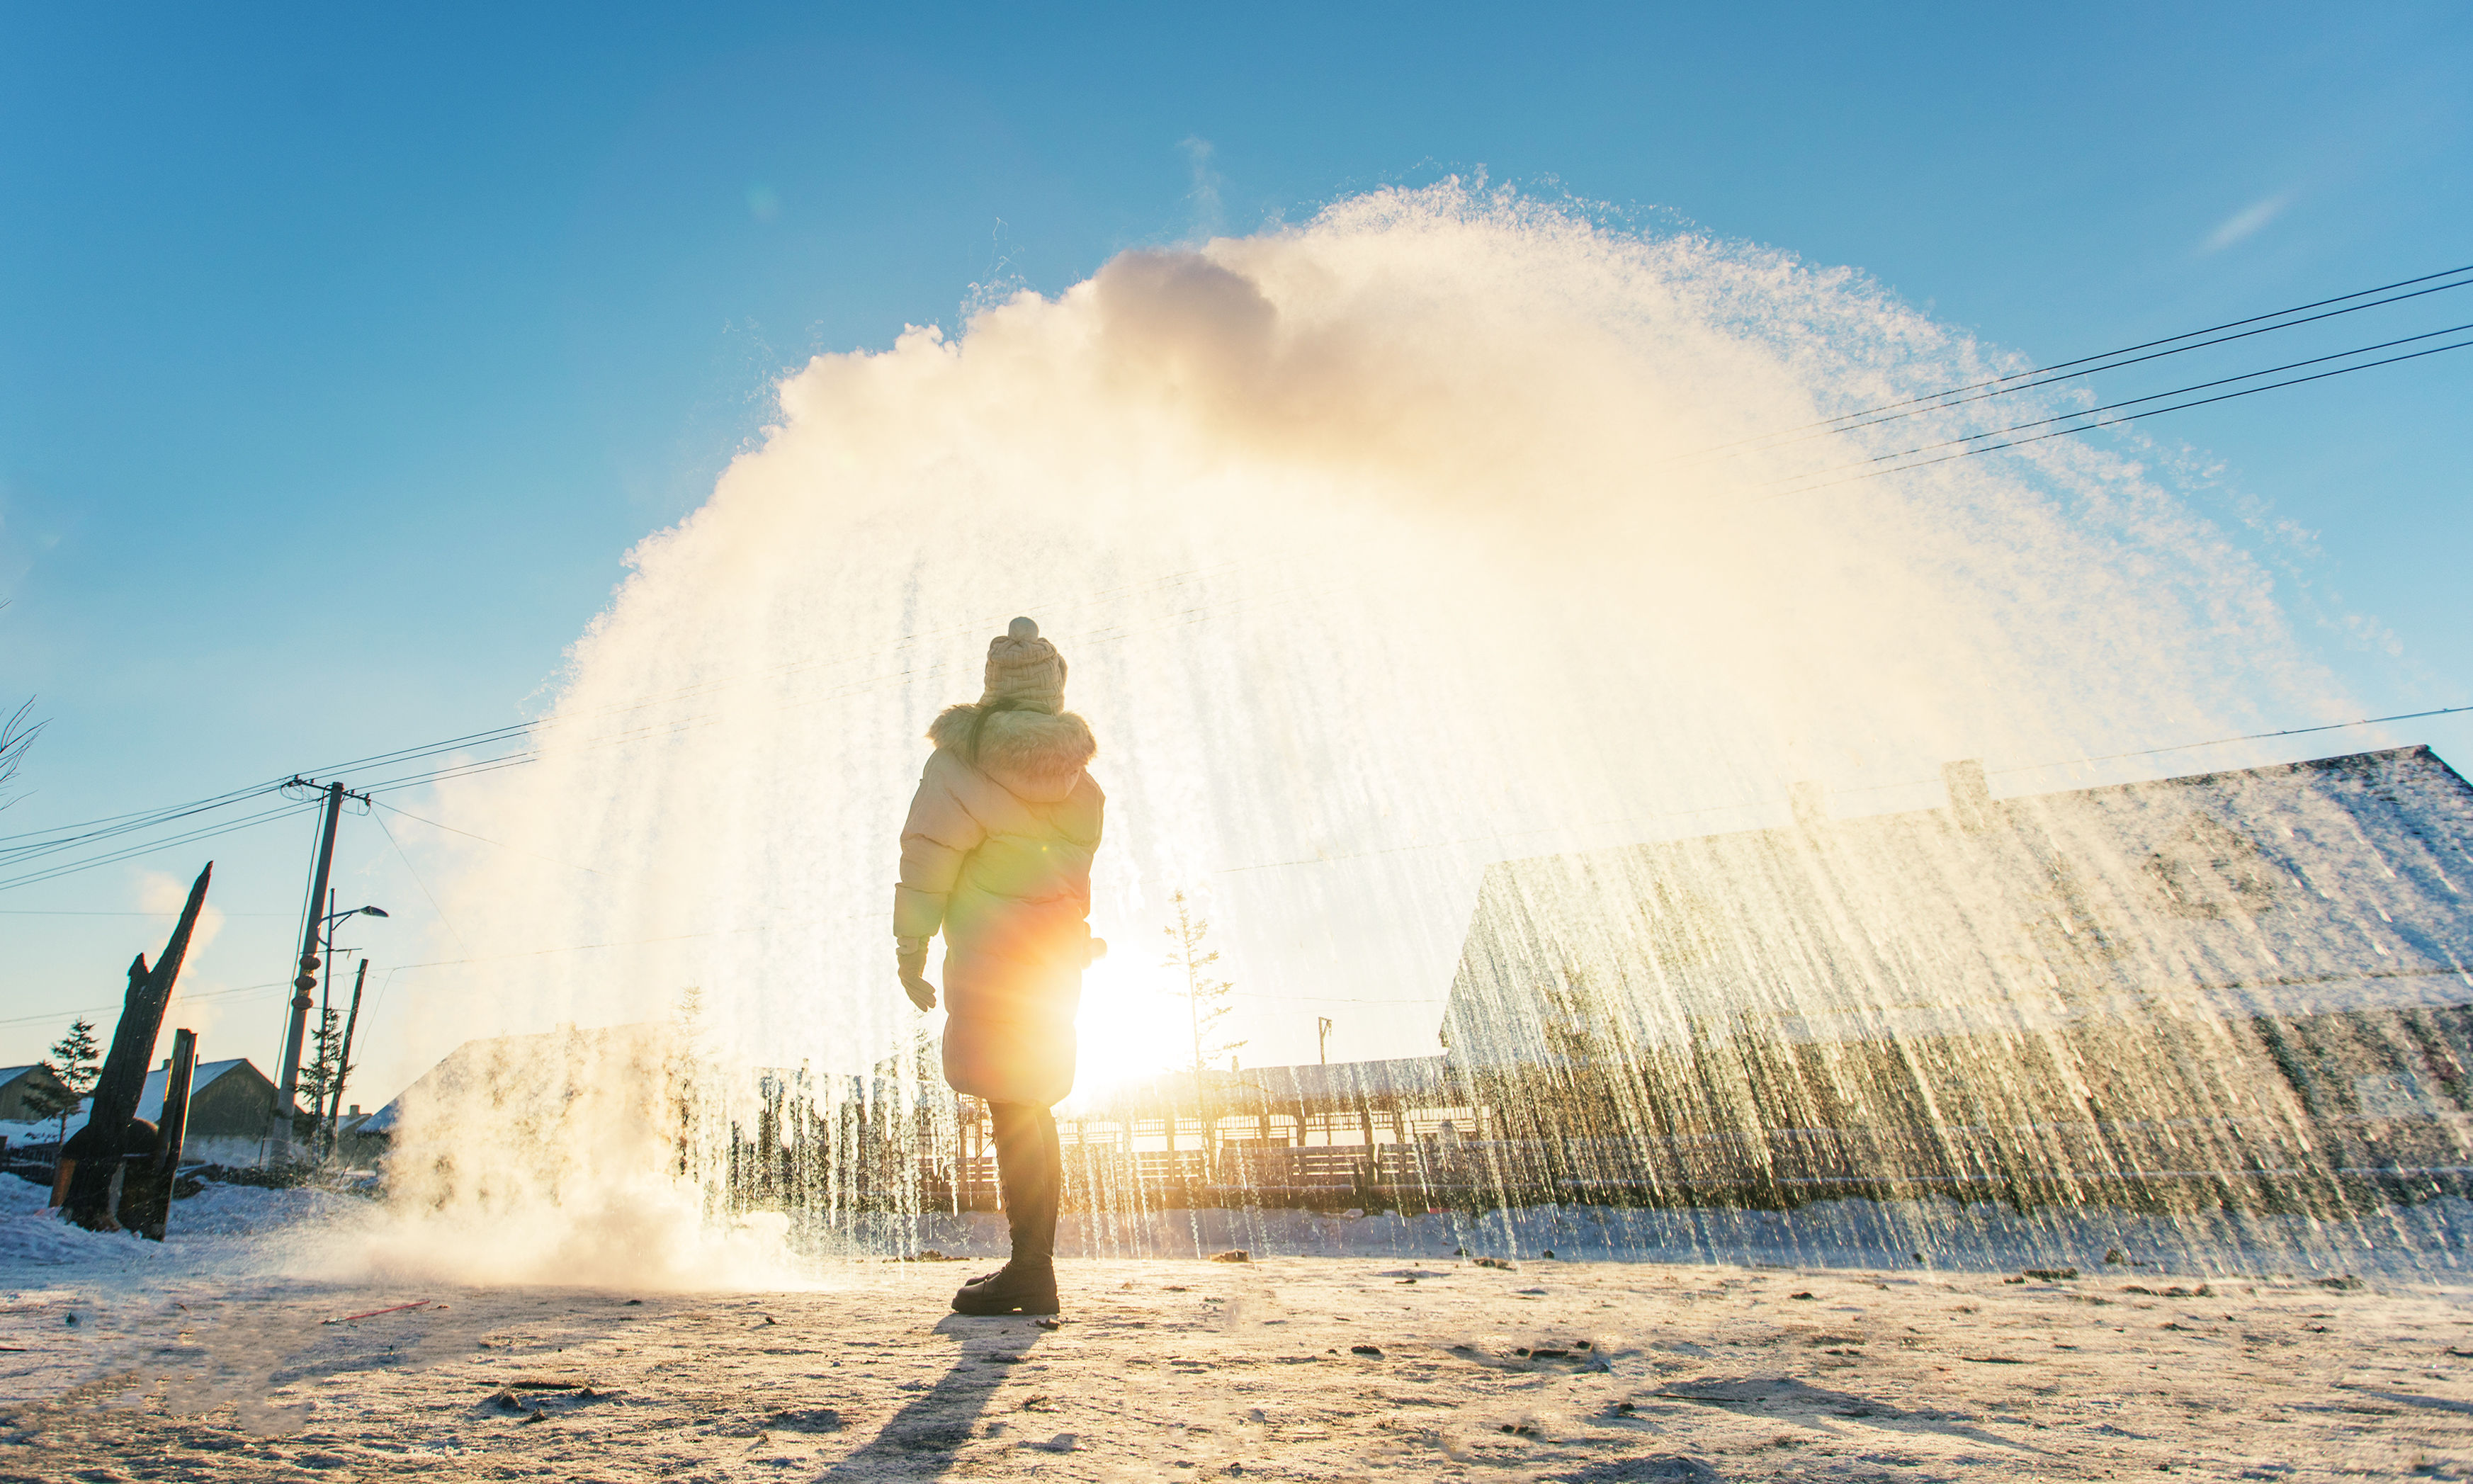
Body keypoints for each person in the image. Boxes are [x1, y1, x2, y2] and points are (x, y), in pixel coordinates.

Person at [895, 616, 1104, 1316]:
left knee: (1013, 1107)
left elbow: (927, 860)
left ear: (993, 687)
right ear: (1052, 689)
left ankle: (1029, 1270)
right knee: (1029, 1103)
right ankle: (1031, 1264)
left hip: (989, 962)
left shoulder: (958, 767)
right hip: (1050, 968)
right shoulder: (1080, 785)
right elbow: (1066, 878)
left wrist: (910, 949)